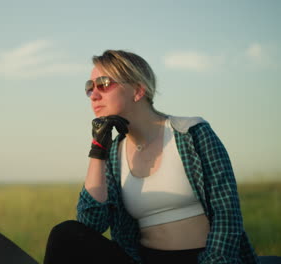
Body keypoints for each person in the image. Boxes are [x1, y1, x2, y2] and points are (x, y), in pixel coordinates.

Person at [44, 50, 259, 263]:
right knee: (66, 234)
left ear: (138, 90)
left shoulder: (191, 133)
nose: (94, 95)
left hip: (203, 258)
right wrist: (98, 149)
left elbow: (227, 214)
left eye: (104, 84)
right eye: (89, 88)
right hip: (143, 259)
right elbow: (91, 224)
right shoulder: (114, 153)